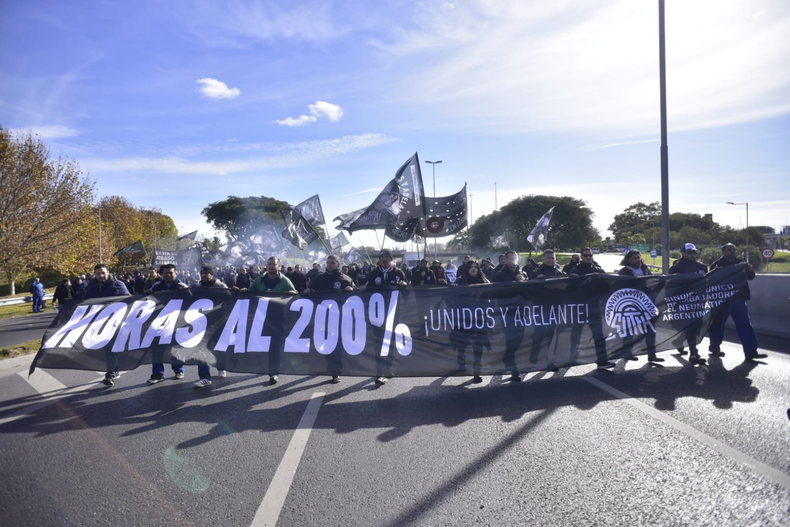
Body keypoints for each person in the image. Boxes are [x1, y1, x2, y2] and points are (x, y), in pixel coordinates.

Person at [708, 243, 766, 361]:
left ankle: (751, 351)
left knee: (745, 325)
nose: (732, 251)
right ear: (723, 252)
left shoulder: (741, 263)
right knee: (718, 324)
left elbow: (751, 277)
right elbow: (711, 280)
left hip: (739, 299)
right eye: (729, 250)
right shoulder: (717, 265)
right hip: (723, 301)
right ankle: (714, 347)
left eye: (734, 249)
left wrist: (750, 270)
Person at [303, 254, 354, 383]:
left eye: (332, 262)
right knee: (325, 343)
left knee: (337, 344)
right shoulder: (319, 278)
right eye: (328, 262)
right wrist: (307, 291)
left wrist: (351, 290)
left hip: (339, 317)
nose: (330, 264)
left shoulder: (345, 279)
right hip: (323, 316)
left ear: (338, 264)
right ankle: (329, 365)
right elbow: (311, 291)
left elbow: (356, 295)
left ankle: (336, 370)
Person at [360, 250, 407, 385]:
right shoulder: (374, 273)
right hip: (378, 313)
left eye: (387, 257)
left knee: (391, 341)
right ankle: (379, 371)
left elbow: (407, 292)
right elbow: (368, 287)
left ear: (391, 258)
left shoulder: (398, 272)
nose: (384, 259)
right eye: (382, 257)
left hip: (393, 313)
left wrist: (404, 286)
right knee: (379, 341)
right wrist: (363, 288)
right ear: (379, 259)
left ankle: (388, 368)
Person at [249, 256, 297, 384]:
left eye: (274, 264)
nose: (271, 266)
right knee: (259, 344)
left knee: (275, 346)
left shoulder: (285, 281)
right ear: (266, 265)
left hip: (278, 318)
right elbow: (250, 293)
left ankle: (274, 372)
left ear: (278, 266)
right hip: (261, 318)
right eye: (269, 264)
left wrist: (293, 294)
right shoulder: (259, 280)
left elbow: (295, 295)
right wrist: (242, 292)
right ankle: (263, 367)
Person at [565, 248, 615, 369]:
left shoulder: (598, 270)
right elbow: (568, 289)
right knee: (575, 334)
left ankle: (602, 361)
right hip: (580, 307)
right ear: (581, 256)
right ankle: (571, 357)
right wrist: (573, 280)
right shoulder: (575, 270)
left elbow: (607, 288)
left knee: (599, 334)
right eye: (585, 255)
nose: (588, 257)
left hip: (594, 307)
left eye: (590, 255)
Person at [84, 264, 131, 386]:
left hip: (115, 323)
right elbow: (85, 301)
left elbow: (129, 301)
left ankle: (111, 373)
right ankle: (114, 370)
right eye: (98, 273)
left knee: (110, 347)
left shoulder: (118, 285)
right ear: (94, 274)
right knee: (106, 349)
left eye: (103, 273)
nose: (101, 275)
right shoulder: (91, 286)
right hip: (98, 323)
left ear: (108, 272)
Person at [617, 250, 664, 363]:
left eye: (638, 258)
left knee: (650, 329)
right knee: (630, 330)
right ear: (628, 259)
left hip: (646, 303)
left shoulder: (645, 269)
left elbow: (652, 281)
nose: (637, 260)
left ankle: (651, 354)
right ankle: (628, 353)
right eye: (634, 258)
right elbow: (619, 287)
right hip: (631, 305)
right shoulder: (624, 272)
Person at [146, 264, 189, 384]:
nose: (168, 275)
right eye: (166, 273)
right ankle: (158, 374)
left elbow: (191, 301)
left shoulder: (182, 286)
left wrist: (186, 292)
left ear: (176, 273)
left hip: (177, 322)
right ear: (162, 274)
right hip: (160, 322)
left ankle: (178, 370)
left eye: (171, 272)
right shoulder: (157, 286)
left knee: (175, 347)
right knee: (157, 348)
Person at [451, 261, 491, 383]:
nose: (474, 269)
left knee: (479, 346)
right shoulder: (460, 281)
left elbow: (492, 295)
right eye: (471, 267)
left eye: (476, 267)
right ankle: (461, 358)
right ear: (467, 269)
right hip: (465, 319)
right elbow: (451, 297)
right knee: (463, 342)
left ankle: (476, 372)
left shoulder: (485, 281)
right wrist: (453, 289)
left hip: (480, 319)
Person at [669, 243, 708, 364]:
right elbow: (671, 284)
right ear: (683, 253)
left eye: (694, 252)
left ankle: (679, 341)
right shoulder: (677, 267)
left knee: (698, 325)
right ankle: (694, 353)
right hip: (683, 301)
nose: (692, 255)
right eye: (690, 252)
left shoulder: (702, 266)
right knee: (689, 326)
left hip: (698, 301)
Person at [492, 250, 528, 381]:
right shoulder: (499, 275)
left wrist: (523, 281)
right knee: (510, 338)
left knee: (520, 338)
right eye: (511, 259)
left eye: (515, 259)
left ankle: (507, 356)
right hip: (507, 312)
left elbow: (529, 291)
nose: (514, 261)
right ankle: (513, 368)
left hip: (521, 310)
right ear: (505, 260)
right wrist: (514, 282)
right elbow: (496, 292)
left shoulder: (522, 273)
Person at [192, 265, 229, 388]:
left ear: (211, 275)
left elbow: (230, 300)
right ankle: (204, 377)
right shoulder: (198, 287)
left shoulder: (221, 286)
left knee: (218, 347)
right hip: (203, 323)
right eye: (201, 273)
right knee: (201, 348)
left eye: (205, 273)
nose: (203, 276)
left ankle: (221, 367)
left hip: (219, 322)